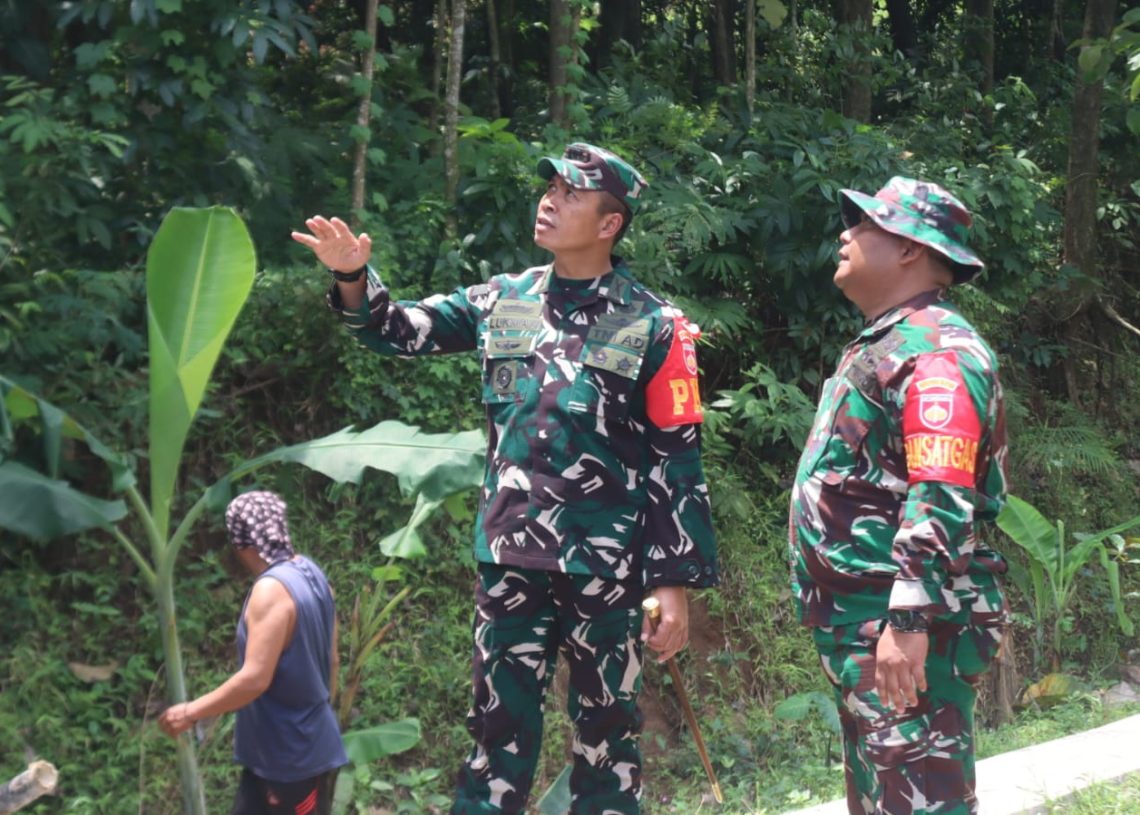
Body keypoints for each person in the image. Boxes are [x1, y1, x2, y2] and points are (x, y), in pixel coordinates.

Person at [291, 142, 718, 814]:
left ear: (610, 223)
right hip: (511, 559)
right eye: (549, 186)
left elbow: (677, 457)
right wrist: (353, 275)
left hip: (604, 569)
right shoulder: (503, 300)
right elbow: (401, 329)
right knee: (496, 733)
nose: (549, 199)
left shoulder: (654, 324)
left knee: (608, 738)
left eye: (571, 194)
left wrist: (672, 581)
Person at [788, 177, 1009, 815]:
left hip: (905, 623)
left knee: (921, 801)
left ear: (910, 249)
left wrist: (908, 621)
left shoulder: (935, 350)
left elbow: (941, 488)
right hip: (864, 622)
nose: (844, 234)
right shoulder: (888, 342)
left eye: (863, 225)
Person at [159, 491, 347, 815]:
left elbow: (255, 679)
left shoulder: (270, 591)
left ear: (240, 543)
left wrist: (190, 712)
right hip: (293, 751)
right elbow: (333, 660)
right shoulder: (313, 574)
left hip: (289, 761)